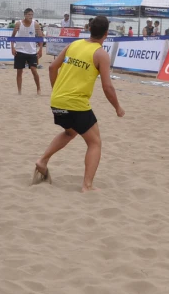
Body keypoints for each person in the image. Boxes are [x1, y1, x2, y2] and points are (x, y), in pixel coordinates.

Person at [34, 16, 124, 192]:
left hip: (57, 100)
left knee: (70, 132)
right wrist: (117, 108)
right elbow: (107, 87)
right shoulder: (100, 54)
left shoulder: (74, 45)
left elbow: (53, 68)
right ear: (106, 34)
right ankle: (87, 186)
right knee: (95, 143)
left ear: (89, 29)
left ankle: (42, 160)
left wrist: (57, 90)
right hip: (75, 103)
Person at [11, 8, 43, 95]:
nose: (30, 16)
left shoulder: (35, 24)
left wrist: (40, 49)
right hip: (20, 50)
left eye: (32, 15)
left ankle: (38, 89)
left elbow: (40, 37)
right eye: (29, 14)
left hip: (32, 51)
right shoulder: (18, 24)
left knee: (34, 70)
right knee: (19, 71)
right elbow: (12, 37)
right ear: (25, 15)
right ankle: (19, 91)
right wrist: (12, 48)